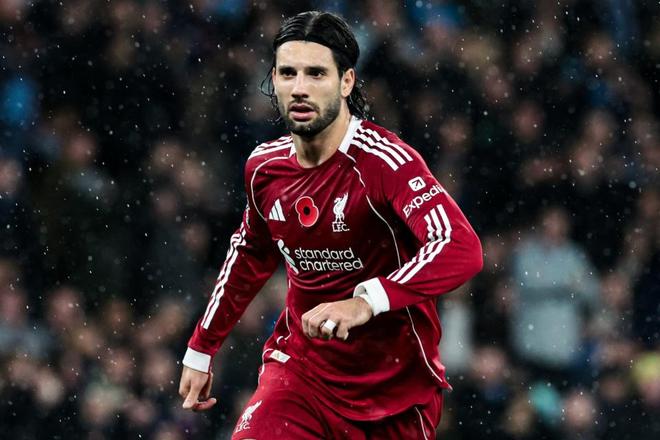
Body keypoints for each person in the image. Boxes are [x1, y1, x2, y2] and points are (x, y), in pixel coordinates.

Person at [178, 11, 482, 439]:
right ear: (274, 81)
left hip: (394, 392)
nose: (300, 88)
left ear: (346, 82)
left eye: (316, 73)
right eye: (288, 73)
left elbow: (458, 246)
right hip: (301, 374)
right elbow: (250, 254)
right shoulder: (264, 168)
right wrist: (201, 347)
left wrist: (366, 301)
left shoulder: (384, 162)